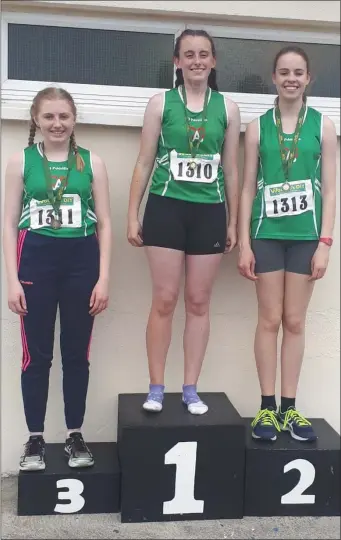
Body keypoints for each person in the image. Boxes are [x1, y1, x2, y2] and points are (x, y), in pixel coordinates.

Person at [127, 29, 240, 414]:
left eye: (203, 54)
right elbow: (144, 160)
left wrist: (234, 223)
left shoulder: (227, 108)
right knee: (164, 299)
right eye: (188, 54)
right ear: (176, 61)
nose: (196, 61)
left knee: (198, 301)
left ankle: (191, 387)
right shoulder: (160, 103)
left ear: (213, 61)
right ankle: (156, 386)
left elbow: (232, 170)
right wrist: (132, 213)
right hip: (165, 207)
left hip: (209, 210)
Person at [3, 87, 112, 470]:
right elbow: (8, 222)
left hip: (81, 260)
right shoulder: (20, 161)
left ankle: (74, 434)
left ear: (74, 119)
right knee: (37, 356)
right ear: (36, 119)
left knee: (76, 355)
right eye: (48, 116)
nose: (57, 123)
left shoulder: (91, 163)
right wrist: (12, 280)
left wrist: (104, 278)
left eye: (64, 116)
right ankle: (35, 439)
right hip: (35, 260)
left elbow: (106, 223)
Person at [238, 46, 337, 441]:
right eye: (284, 72)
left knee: (294, 321)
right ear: (274, 78)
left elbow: (330, 190)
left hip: (305, 237)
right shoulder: (259, 127)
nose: (291, 78)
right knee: (269, 319)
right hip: (265, 235)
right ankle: (266, 409)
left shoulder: (323, 126)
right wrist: (244, 242)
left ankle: (289, 408)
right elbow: (247, 188)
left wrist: (325, 242)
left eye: (298, 72)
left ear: (308, 78)